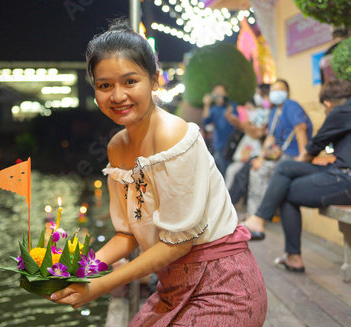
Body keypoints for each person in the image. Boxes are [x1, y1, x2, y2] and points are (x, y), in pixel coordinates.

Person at [48, 19, 267, 326]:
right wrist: (82, 270)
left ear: (154, 80)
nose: (118, 96)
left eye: (130, 81)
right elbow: (128, 233)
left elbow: (179, 243)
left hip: (221, 283)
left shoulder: (173, 135)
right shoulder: (117, 148)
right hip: (171, 285)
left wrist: (98, 286)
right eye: (105, 85)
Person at [242, 80, 351, 271]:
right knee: (285, 169)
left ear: (327, 104)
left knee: (285, 185)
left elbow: (313, 147)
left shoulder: (340, 111)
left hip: (344, 178)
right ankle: (261, 220)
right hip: (339, 172)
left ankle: (286, 248)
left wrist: (292, 172)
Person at [244, 80, 313, 239]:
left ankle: (258, 218)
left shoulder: (291, 105)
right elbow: (270, 137)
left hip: (292, 155)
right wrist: (261, 157)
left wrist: (302, 157)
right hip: (280, 154)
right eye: (274, 89)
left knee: (269, 174)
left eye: (280, 89)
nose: (276, 92)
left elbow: (301, 129)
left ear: (287, 92)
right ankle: (253, 216)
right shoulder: (275, 111)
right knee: (257, 169)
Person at [224, 84, 272, 189]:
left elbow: (258, 133)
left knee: (240, 176)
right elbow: (248, 126)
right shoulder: (258, 112)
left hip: (259, 152)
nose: (256, 96)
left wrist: (241, 124)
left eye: (258, 94)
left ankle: (232, 201)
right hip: (250, 151)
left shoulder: (269, 113)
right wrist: (237, 122)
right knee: (233, 172)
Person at [202, 84, 239, 176]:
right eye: (216, 91)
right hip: (218, 144)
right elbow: (206, 121)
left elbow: (235, 121)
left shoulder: (231, 105)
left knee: (229, 171)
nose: (217, 93)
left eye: (220, 91)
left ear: (225, 93)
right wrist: (206, 104)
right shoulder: (213, 109)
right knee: (220, 171)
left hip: (231, 144)